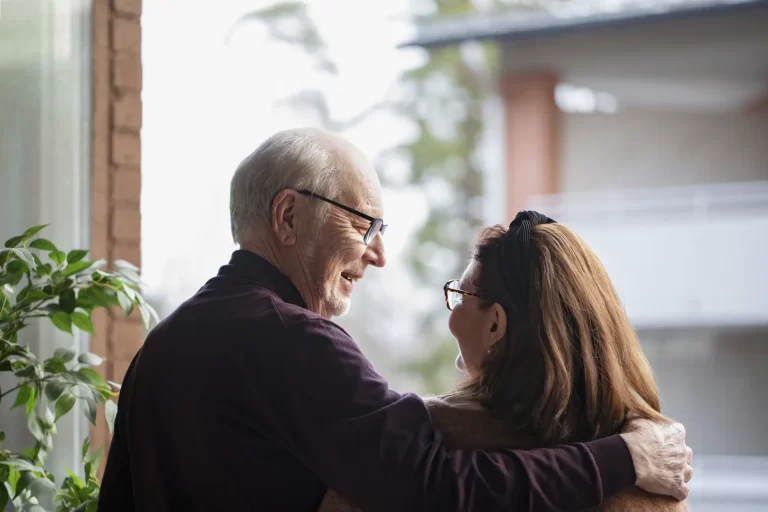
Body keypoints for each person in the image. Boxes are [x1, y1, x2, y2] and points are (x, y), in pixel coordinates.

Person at [98, 128, 692, 511]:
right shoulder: (293, 341)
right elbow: (435, 486)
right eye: (365, 225)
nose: (378, 255)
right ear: (287, 217)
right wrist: (625, 459)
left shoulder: (162, 348)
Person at [320, 211, 689, 512]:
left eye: (459, 295)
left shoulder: (426, 440)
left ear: (495, 323)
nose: (450, 316)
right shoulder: (660, 466)